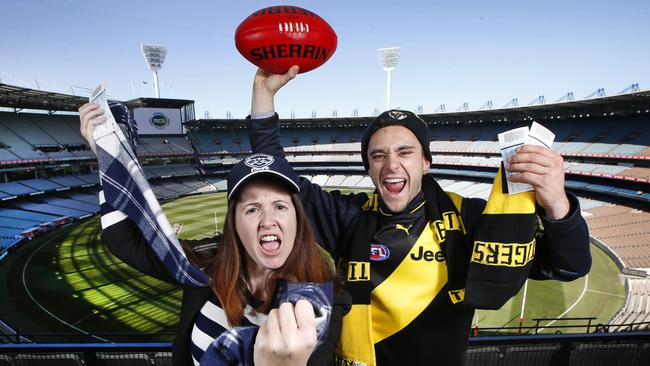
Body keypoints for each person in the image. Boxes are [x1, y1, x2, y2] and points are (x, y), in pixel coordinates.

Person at [245, 66, 592, 365]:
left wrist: (557, 202)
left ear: (425, 162)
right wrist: (263, 97)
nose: (391, 164)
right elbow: (282, 181)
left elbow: (568, 265)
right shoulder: (347, 216)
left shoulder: (468, 217)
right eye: (378, 155)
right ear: (369, 168)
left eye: (404, 152)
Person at [78, 103, 348, 366]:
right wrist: (107, 152)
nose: (268, 221)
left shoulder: (325, 299)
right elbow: (123, 239)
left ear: (298, 219)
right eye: (252, 209)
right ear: (234, 221)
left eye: (279, 206)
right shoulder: (206, 263)